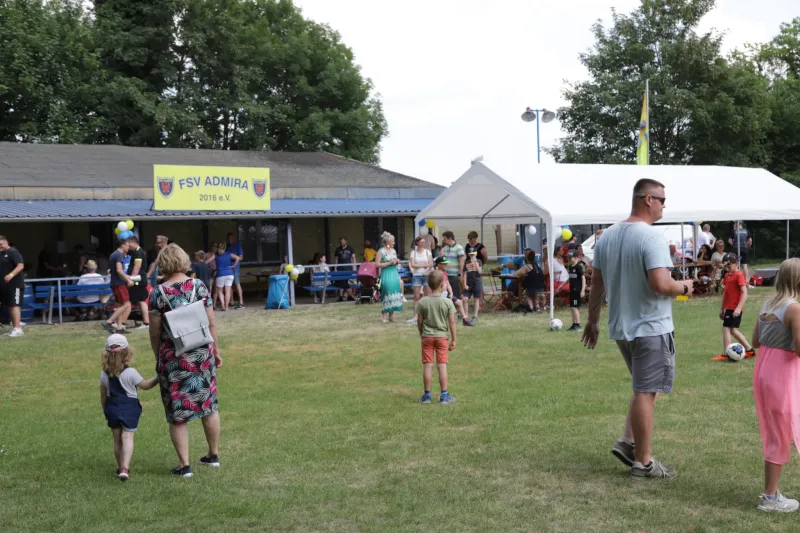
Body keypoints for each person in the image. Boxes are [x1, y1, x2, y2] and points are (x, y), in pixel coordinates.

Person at [582, 178, 694, 479]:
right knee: (646, 390)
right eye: (661, 200)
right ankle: (643, 462)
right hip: (650, 326)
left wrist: (592, 320)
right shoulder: (651, 237)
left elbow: (597, 284)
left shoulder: (607, 237)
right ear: (647, 199)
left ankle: (628, 441)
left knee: (645, 387)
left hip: (622, 327)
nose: (664, 206)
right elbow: (660, 284)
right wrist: (685, 285)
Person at [148, 244, 223, 478]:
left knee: (178, 412)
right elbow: (211, 323)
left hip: (174, 357)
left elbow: (155, 331)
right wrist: (216, 351)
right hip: (202, 353)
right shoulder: (199, 286)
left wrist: (157, 357)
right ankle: (213, 454)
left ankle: (184, 465)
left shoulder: (158, 294)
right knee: (208, 405)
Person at [751, 258, 800, 512]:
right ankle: (770, 497)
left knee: (775, 431)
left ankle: (772, 493)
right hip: (782, 375)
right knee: (780, 433)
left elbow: (756, 340)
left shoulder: (767, 303)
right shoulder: (794, 308)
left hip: (764, 372)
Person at [99, 333, 158, 481]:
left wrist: (106, 410)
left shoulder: (104, 375)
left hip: (112, 407)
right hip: (129, 408)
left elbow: (103, 396)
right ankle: (125, 468)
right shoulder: (131, 373)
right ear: (127, 352)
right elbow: (145, 386)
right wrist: (159, 377)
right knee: (127, 436)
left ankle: (120, 468)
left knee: (117, 439)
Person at [416, 270, 457, 405]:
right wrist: (454, 339)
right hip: (442, 338)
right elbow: (452, 322)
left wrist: (421, 333)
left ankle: (427, 396)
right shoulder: (447, 302)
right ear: (441, 285)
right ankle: (444, 396)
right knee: (442, 366)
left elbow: (419, 321)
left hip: (426, 336)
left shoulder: (423, 302)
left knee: (427, 366)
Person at [711, 253, 756, 361]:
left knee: (726, 329)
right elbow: (726, 293)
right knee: (732, 330)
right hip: (728, 308)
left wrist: (738, 308)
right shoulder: (727, 276)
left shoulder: (739, 275)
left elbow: (744, 293)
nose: (727, 269)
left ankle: (727, 354)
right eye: (726, 267)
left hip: (735, 308)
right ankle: (750, 350)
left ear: (736, 263)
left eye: (729, 266)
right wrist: (722, 308)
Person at [104, 239, 133, 335]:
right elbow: (119, 270)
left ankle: (119, 328)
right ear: (122, 245)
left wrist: (127, 277)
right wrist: (128, 280)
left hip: (115, 282)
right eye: (127, 245)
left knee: (120, 305)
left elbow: (115, 271)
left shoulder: (114, 254)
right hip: (119, 283)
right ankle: (109, 322)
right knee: (126, 304)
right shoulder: (119, 255)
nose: (128, 247)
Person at [0, 235, 25, 337]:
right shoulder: (2, 254)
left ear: (6, 242)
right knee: (10, 305)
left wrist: (11, 275)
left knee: (14, 305)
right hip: (5, 286)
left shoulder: (13, 252)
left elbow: (20, 265)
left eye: (0, 244)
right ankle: (15, 327)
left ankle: (17, 328)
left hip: (15, 284)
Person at [440, 231, 468, 325]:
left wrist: (460, 274)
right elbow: (441, 258)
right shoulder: (445, 248)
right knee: (448, 296)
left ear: (449, 238)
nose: (443, 240)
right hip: (446, 276)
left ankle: (458, 314)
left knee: (456, 295)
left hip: (455, 275)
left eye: (444, 238)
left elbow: (461, 262)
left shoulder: (459, 248)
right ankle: (453, 314)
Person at [375, 231, 403, 322]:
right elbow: (377, 264)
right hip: (386, 273)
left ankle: (391, 315)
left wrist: (397, 261)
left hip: (394, 273)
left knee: (394, 291)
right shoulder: (381, 251)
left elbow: (394, 260)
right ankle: (383, 315)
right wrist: (390, 263)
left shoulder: (393, 251)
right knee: (387, 292)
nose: (394, 243)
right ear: (387, 242)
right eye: (392, 241)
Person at [125, 236, 150, 330]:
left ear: (133, 242)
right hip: (138, 279)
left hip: (138, 280)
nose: (128, 246)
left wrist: (131, 279)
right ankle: (145, 322)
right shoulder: (138, 251)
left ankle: (146, 323)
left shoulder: (138, 252)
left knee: (141, 300)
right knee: (139, 301)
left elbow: (137, 266)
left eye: (129, 244)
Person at [206, 243, 240, 312]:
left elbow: (207, 262)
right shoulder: (228, 254)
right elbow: (238, 258)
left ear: (218, 248)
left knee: (220, 291)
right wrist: (234, 266)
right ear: (225, 248)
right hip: (230, 274)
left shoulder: (216, 255)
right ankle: (227, 307)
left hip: (220, 274)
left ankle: (223, 306)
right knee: (227, 291)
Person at [463, 231, 487, 325]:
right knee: (465, 298)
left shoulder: (479, 262)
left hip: (476, 281)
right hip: (468, 281)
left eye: (473, 254)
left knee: (477, 298)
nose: (472, 255)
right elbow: (464, 273)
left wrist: (476, 264)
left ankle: (475, 316)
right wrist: (464, 284)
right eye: (471, 254)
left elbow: (480, 272)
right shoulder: (467, 262)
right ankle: (466, 316)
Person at [408, 236, 433, 323]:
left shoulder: (427, 252)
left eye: (424, 242)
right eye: (421, 242)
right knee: (416, 296)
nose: (423, 244)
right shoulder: (413, 253)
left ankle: (427, 315)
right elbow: (413, 265)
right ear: (417, 243)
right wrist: (423, 265)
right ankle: (415, 316)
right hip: (417, 275)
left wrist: (426, 270)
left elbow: (430, 263)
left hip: (426, 274)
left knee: (427, 296)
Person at [567, 250, 586, 331]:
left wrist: (583, 290)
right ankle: (574, 324)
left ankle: (578, 324)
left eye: (571, 258)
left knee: (575, 307)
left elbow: (583, 278)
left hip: (576, 290)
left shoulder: (578, 267)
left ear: (575, 258)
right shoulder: (570, 267)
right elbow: (570, 278)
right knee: (572, 307)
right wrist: (562, 285)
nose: (569, 259)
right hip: (571, 290)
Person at [225, 233, 245, 309]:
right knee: (229, 285)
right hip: (228, 268)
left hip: (235, 267)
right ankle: (232, 301)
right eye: (228, 238)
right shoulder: (227, 246)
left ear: (233, 238)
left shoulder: (237, 245)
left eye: (231, 238)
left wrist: (234, 258)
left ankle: (241, 302)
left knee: (237, 283)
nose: (230, 240)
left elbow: (241, 257)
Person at [334, 237, 356, 302]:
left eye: (343, 242)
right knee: (341, 282)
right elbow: (336, 259)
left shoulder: (350, 248)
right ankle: (340, 297)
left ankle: (350, 296)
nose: (342, 243)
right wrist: (335, 267)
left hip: (348, 268)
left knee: (348, 282)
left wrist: (354, 266)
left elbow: (353, 258)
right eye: (340, 242)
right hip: (340, 268)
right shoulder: (337, 249)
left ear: (346, 242)